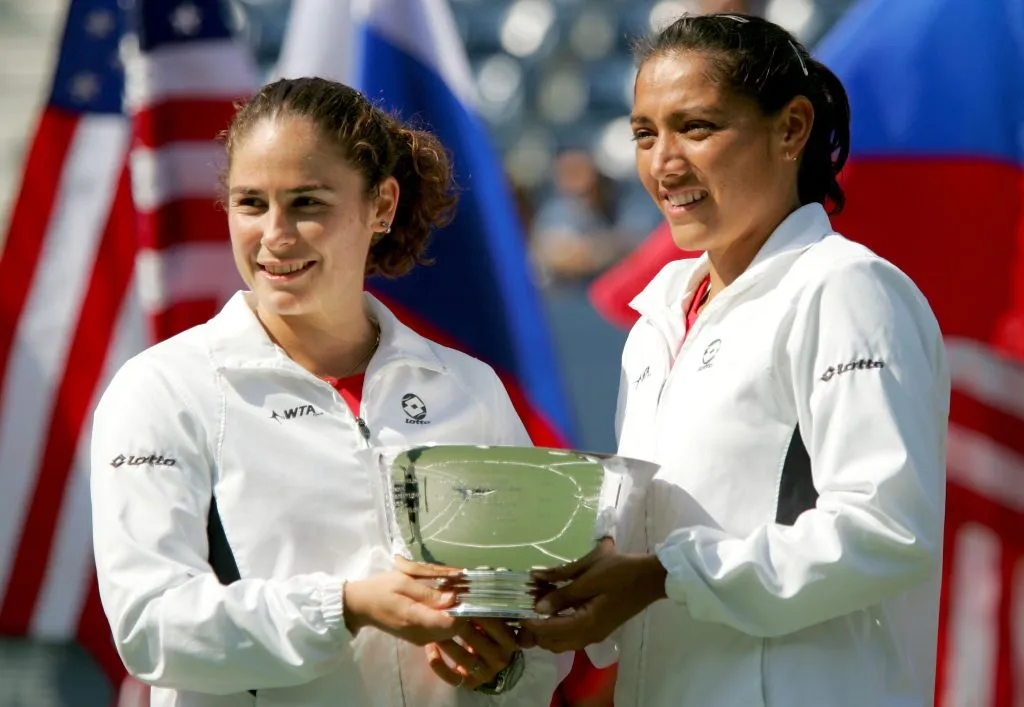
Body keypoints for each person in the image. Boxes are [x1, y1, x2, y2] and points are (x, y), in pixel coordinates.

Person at [90, 77, 564, 706]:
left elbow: (535, 635)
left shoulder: (470, 389)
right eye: (250, 203)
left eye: (308, 203)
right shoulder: (163, 389)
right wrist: (348, 606)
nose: (275, 235)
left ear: (382, 206)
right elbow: (150, 627)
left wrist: (500, 670)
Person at [520, 13, 950, 707]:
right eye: (643, 133)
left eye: (697, 127)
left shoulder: (845, 288)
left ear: (791, 129)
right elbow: (654, 557)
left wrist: (660, 575)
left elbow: (886, 530)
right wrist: (575, 584)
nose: (663, 162)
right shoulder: (657, 319)